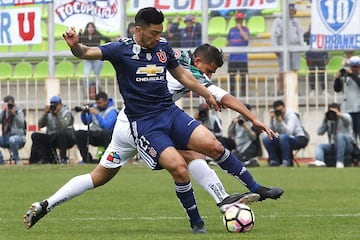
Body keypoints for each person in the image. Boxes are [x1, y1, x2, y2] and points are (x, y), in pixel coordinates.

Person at [25, 8, 282, 233]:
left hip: (165, 115)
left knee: (206, 148)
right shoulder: (121, 49)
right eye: (154, 32)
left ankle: (45, 204)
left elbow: (187, 78)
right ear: (139, 30)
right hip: (136, 125)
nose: (158, 37)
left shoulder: (165, 50)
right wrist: (75, 46)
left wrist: (205, 94)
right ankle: (216, 205)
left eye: (161, 32)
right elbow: (88, 52)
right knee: (182, 162)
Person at [28, 96, 75, 164]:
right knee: (35, 136)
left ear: (60, 105)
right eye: (52, 104)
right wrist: (45, 114)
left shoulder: (66, 113)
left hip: (67, 138)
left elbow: (63, 127)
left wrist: (57, 115)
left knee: (61, 134)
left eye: (56, 104)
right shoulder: (49, 114)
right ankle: (45, 159)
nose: (54, 106)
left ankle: (63, 159)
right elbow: (40, 125)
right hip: (53, 136)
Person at [75, 91, 118, 164]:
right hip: (94, 133)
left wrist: (97, 114)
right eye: (96, 102)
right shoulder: (95, 107)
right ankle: (86, 159)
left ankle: (108, 159)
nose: (98, 105)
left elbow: (107, 126)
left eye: (99, 103)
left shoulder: (112, 111)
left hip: (106, 136)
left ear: (105, 101)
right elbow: (86, 122)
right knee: (79, 134)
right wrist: (84, 113)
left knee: (106, 133)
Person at [308, 103, 355, 168]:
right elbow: (319, 132)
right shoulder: (329, 121)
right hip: (334, 145)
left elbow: (348, 121)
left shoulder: (345, 116)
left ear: (339, 111)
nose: (333, 114)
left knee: (340, 136)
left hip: (347, 145)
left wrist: (339, 115)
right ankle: (319, 161)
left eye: (334, 112)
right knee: (320, 146)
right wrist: (324, 120)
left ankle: (340, 162)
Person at [263, 100, 308, 167]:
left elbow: (289, 132)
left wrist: (280, 121)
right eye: (278, 111)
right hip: (283, 139)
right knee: (266, 139)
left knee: (283, 137)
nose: (280, 112)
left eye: (281, 110)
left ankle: (286, 161)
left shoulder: (291, 116)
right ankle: (274, 161)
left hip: (298, 138)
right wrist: (272, 120)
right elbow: (272, 132)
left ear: (284, 108)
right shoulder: (276, 117)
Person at [271, 3, 304, 95]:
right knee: (282, 70)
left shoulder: (296, 21)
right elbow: (274, 35)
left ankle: (294, 90)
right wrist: (275, 47)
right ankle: (281, 89)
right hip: (282, 47)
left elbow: (300, 34)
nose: (293, 12)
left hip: (295, 47)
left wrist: (301, 46)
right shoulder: (279, 20)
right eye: (292, 10)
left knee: (294, 69)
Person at [78, 22, 112, 99]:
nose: (90, 29)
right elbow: (78, 41)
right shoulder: (84, 35)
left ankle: (99, 93)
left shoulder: (97, 35)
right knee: (86, 76)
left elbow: (107, 39)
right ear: (87, 28)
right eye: (89, 27)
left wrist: (102, 48)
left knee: (97, 76)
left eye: (92, 27)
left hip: (97, 59)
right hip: (88, 59)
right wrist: (79, 33)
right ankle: (86, 94)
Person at [333, 56, 360, 144]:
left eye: (356, 66)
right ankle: (354, 155)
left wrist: (352, 74)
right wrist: (337, 78)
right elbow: (337, 89)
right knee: (350, 136)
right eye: (352, 66)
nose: (354, 68)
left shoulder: (356, 76)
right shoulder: (345, 77)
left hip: (358, 110)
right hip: (347, 111)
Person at [226, 12, 249, 96]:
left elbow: (246, 38)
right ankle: (232, 94)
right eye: (238, 20)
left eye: (240, 20)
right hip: (232, 58)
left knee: (243, 76)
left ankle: (243, 94)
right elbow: (228, 42)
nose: (239, 21)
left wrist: (240, 29)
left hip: (242, 57)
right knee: (232, 77)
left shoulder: (245, 29)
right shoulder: (231, 30)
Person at [303, 25, 329, 97]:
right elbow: (303, 46)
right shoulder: (306, 35)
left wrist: (326, 57)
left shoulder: (322, 34)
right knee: (312, 74)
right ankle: (312, 90)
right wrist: (306, 56)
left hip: (320, 56)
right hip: (310, 57)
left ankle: (324, 90)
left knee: (322, 74)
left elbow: (325, 45)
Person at [0, 95, 26, 165]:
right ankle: (0, 160)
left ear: (14, 103)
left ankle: (17, 160)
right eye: (7, 104)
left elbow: (21, 124)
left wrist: (14, 114)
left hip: (19, 137)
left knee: (13, 139)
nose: (9, 106)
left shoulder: (19, 111)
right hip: (6, 137)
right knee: (10, 139)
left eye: (10, 104)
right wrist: (3, 111)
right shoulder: (3, 112)